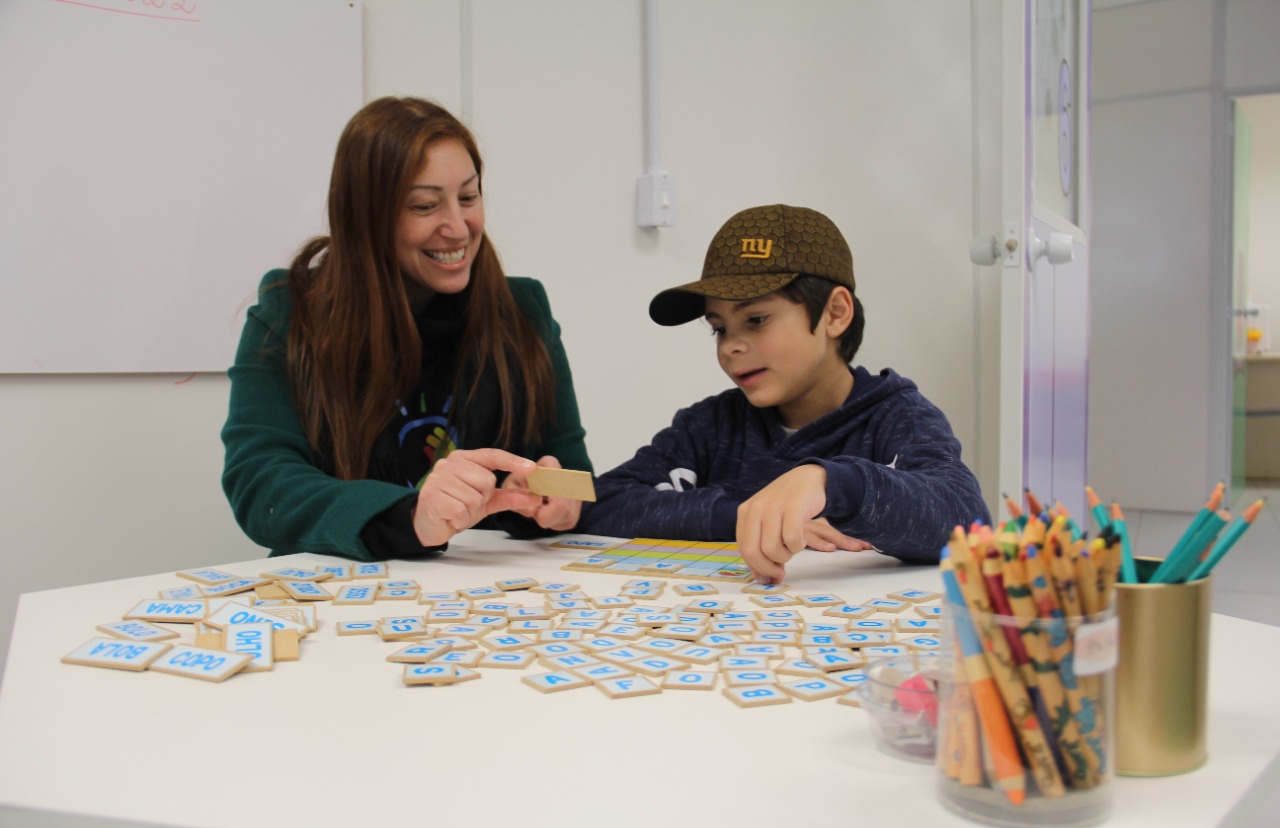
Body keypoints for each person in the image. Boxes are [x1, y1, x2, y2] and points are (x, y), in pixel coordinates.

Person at [222, 97, 591, 560]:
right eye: (423, 206)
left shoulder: (524, 309)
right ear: (366, 218)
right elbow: (261, 484)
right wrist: (412, 515)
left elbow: (572, 472)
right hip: (347, 593)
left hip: (491, 596)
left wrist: (547, 498)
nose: (457, 227)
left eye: (469, 197)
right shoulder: (289, 313)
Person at [578, 203, 987, 582]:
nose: (729, 346)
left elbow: (968, 523)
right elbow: (602, 500)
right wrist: (743, 516)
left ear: (835, 313)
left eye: (756, 319)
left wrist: (832, 483)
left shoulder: (898, 416)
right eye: (719, 328)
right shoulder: (710, 425)